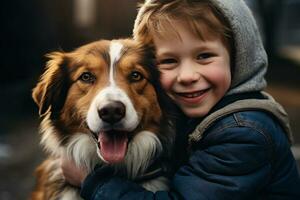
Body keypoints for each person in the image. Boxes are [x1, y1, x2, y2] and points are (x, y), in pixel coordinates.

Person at [61, 0, 300, 199]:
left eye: (204, 56)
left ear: (239, 58)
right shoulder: (191, 113)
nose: (187, 76)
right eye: (169, 61)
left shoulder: (243, 131)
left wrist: (91, 182)